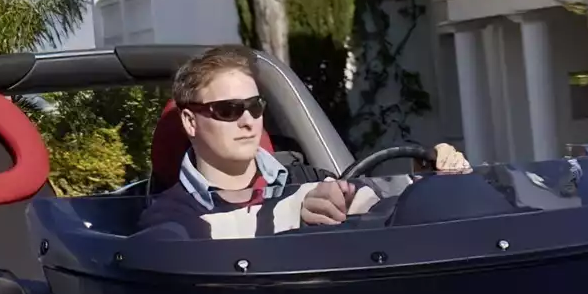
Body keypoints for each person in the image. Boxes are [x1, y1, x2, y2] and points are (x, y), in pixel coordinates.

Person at [136, 44, 470, 239]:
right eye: (228, 110)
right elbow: (196, 244)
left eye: (255, 106)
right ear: (190, 121)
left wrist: (427, 186)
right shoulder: (168, 218)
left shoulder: (313, 181)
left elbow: (385, 214)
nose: (248, 120)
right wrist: (293, 212)